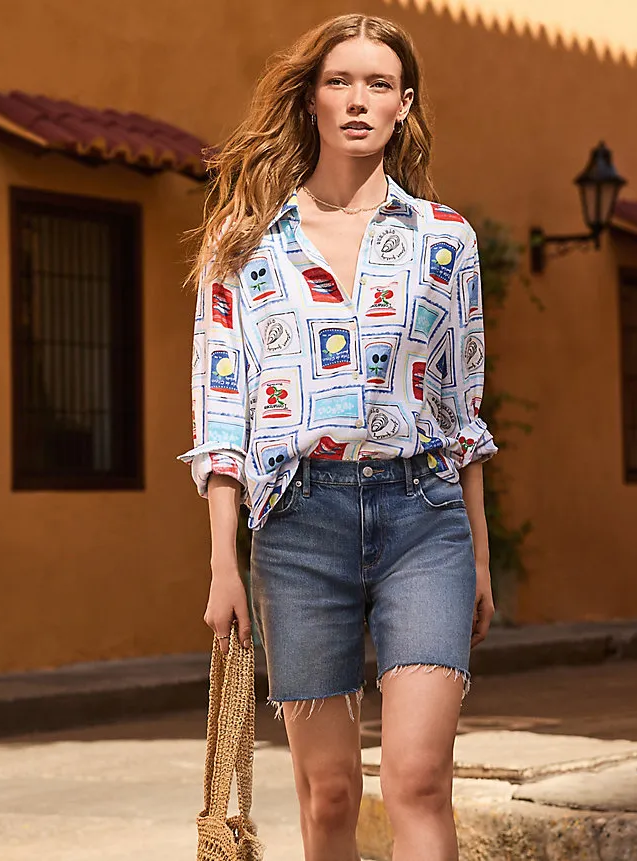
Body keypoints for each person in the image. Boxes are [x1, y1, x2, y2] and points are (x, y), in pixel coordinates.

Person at [178, 13, 498, 861]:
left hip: (423, 519)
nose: (358, 100)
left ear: (404, 106)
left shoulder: (445, 240)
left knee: (417, 780)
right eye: (339, 81)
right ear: (311, 99)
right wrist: (223, 566)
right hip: (297, 526)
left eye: (379, 84)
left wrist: (479, 557)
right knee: (326, 797)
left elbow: (463, 413)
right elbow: (221, 418)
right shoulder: (244, 244)